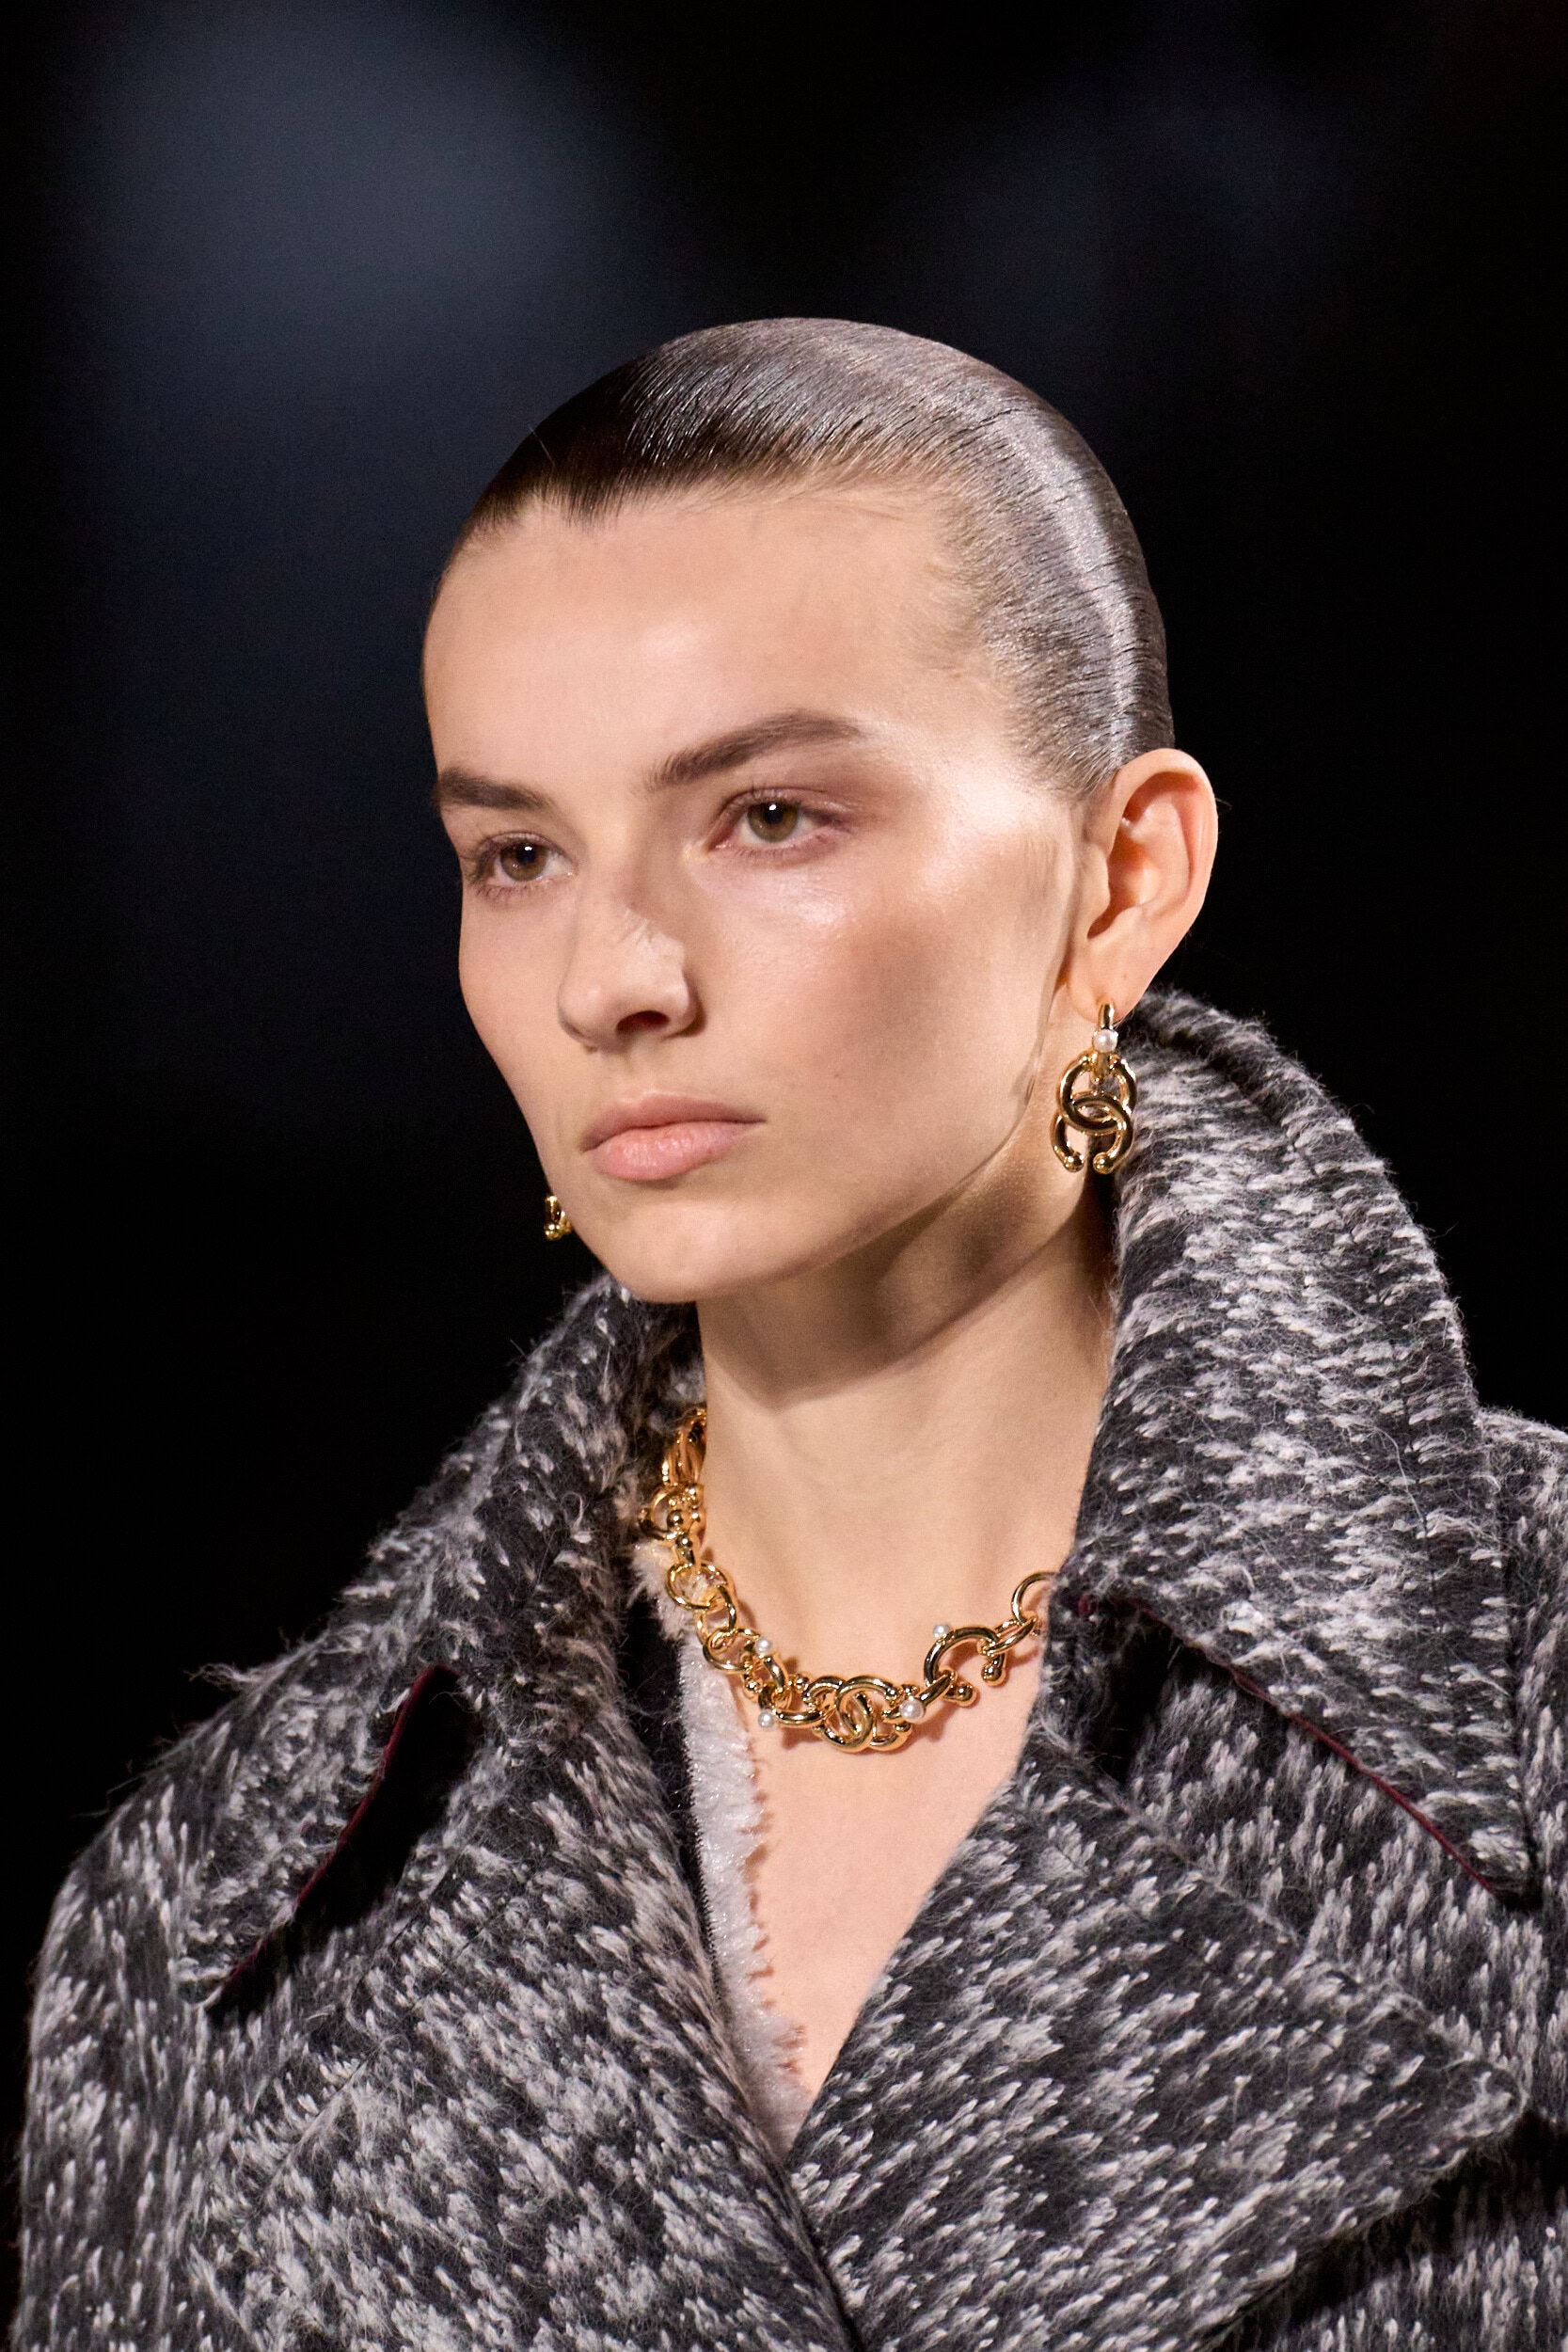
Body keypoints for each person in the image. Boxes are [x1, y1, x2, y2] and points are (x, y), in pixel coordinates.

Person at [13, 321, 1564, 2352]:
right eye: (518, 855)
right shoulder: (226, 1895)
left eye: (769, 817)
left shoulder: (1529, 1688)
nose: (613, 978)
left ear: (1121, 879)